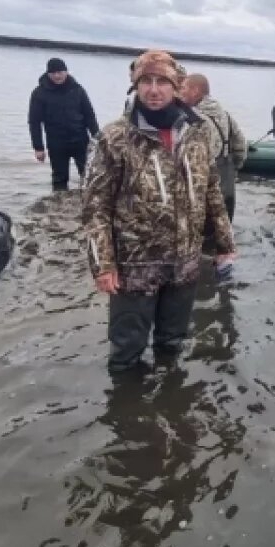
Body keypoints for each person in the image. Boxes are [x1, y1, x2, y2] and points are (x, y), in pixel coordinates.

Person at [83, 49, 236, 373]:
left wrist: (225, 245)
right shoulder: (114, 138)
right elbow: (95, 206)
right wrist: (103, 265)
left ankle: (169, 396)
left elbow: (211, 191)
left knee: (172, 343)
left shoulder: (196, 133)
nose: (154, 90)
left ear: (177, 86)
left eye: (162, 82)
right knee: (126, 352)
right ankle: (128, 414)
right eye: (146, 82)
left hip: (184, 262)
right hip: (135, 266)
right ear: (136, 87)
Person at [28, 58, 101, 191]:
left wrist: (98, 139)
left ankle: (89, 204)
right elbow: (34, 122)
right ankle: (58, 206)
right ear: (48, 74)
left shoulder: (78, 90)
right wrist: (38, 147)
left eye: (60, 72)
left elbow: (90, 115)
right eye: (53, 73)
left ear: (66, 72)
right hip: (56, 143)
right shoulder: (39, 93)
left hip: (80, 140)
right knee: (59, 179)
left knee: (89, 176)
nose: (57, 76)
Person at [182, 72, 247, 221]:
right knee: (225, 228)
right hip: (227, 182)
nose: (180, 91)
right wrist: (236, 165)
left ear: (195, 91)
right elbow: (240, 144)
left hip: (206, 186)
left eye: (184, 87)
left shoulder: (193, 120)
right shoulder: (225, 114)